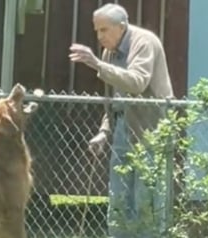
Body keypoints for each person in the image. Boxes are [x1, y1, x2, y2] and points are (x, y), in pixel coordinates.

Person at [69, 3, 174, 237]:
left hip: (151, 131)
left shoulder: (143, 42)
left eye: (104, 30)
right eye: (97, 30)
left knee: (146, 199)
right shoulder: (109, 53)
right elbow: (115, 99)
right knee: (118, 197)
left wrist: (97, 63)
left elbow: (137, 82)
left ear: (122, 26)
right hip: (121, 129)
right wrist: (104, 132)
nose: (99, 36)